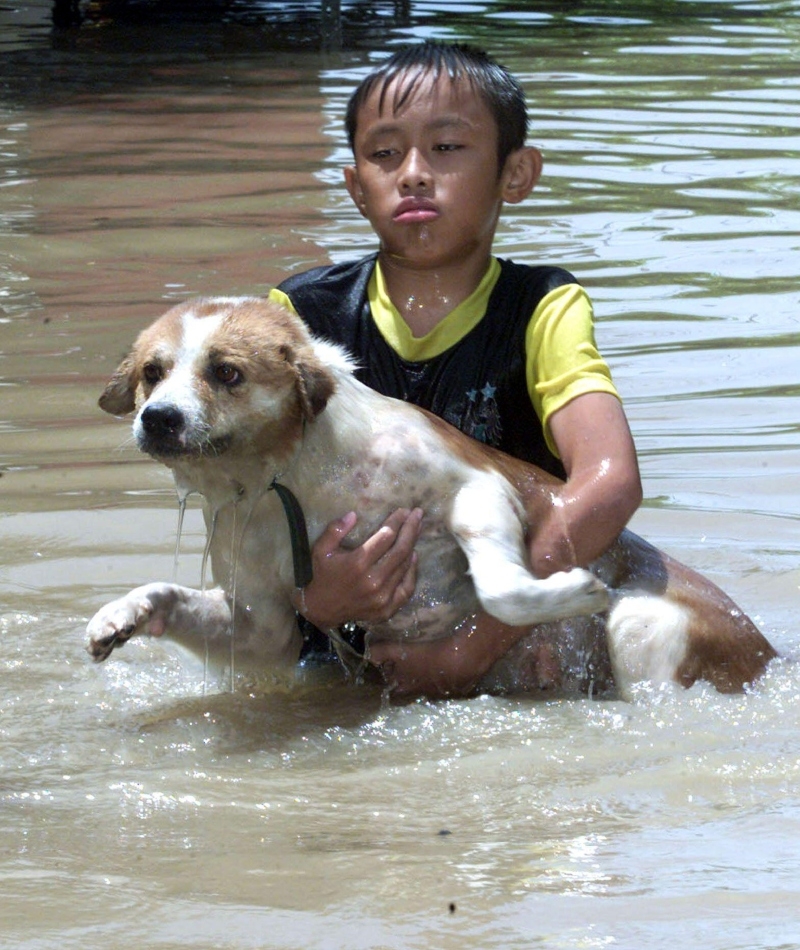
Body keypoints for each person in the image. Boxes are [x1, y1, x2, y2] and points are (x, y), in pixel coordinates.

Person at [269, 41, 642, 699]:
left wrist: (468, 650)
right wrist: (310, 596)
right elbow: (244, 503)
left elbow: (609, 484)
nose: (412, 172)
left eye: (446, 148)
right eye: (385, 154)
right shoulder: (296, 317)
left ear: (516, 175)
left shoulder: (543, 308)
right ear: (356, 186)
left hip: (501, 654)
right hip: (334, 649)